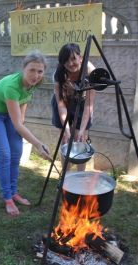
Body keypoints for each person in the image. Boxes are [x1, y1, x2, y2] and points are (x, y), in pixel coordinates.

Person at [0, 50, 52, 216]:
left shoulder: (34, 84)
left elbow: (23, 105)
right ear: (24, 69)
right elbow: (17, 123)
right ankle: (7, 197)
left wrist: (21, 123)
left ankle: (13, 192)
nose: (35, 75)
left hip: (10, 114)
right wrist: (38, 144)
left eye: (40, 71)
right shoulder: (12, 86)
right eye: (32, 70)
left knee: (17, 152)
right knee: (5, 155)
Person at [51, 43, 96, 171]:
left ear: (80, 57)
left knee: (81, 140)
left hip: (82, 104)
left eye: (73, 59)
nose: (70, 64)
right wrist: (66, 129)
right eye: (66, 61)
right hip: (63, 103)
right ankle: (65, 177)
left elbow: (88, 105)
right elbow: (61, 104)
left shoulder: (90, 72)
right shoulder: (59, 74)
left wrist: (82, 130)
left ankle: (80, 176)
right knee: (66, 140)